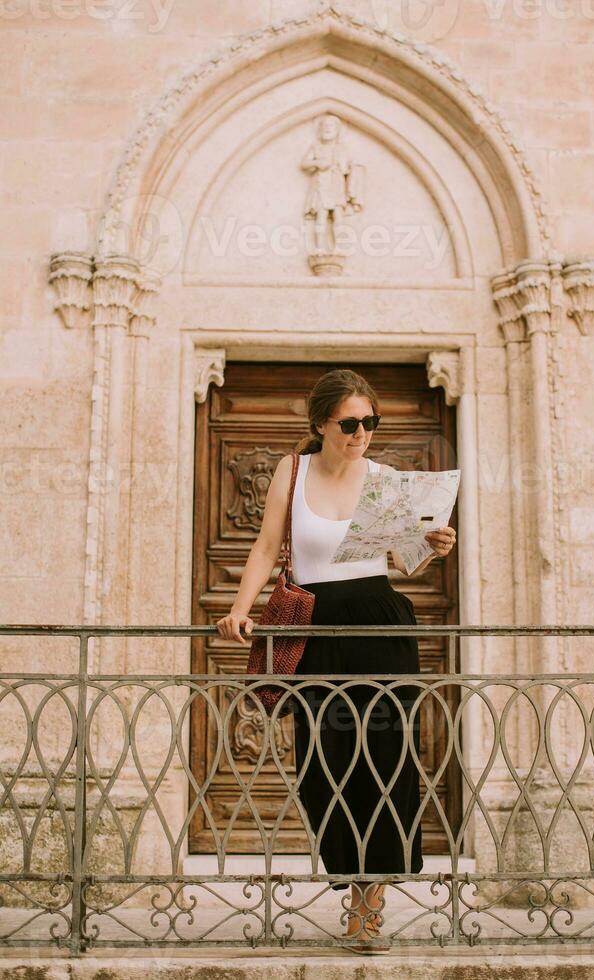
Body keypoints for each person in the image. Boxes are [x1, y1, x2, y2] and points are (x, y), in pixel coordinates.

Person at [216, 368, 456, 951]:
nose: (361, 434)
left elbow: (404, 561)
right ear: (320, 423)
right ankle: (347, 878)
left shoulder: (386, 479)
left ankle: (368, 908)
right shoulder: (291, 471)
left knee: (384, 762)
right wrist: (239, 609)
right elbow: (268, 545)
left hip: (381, 626)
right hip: (315, 629)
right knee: (326, 765)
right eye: (350, 423)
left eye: (370, 423)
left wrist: (434, 544)